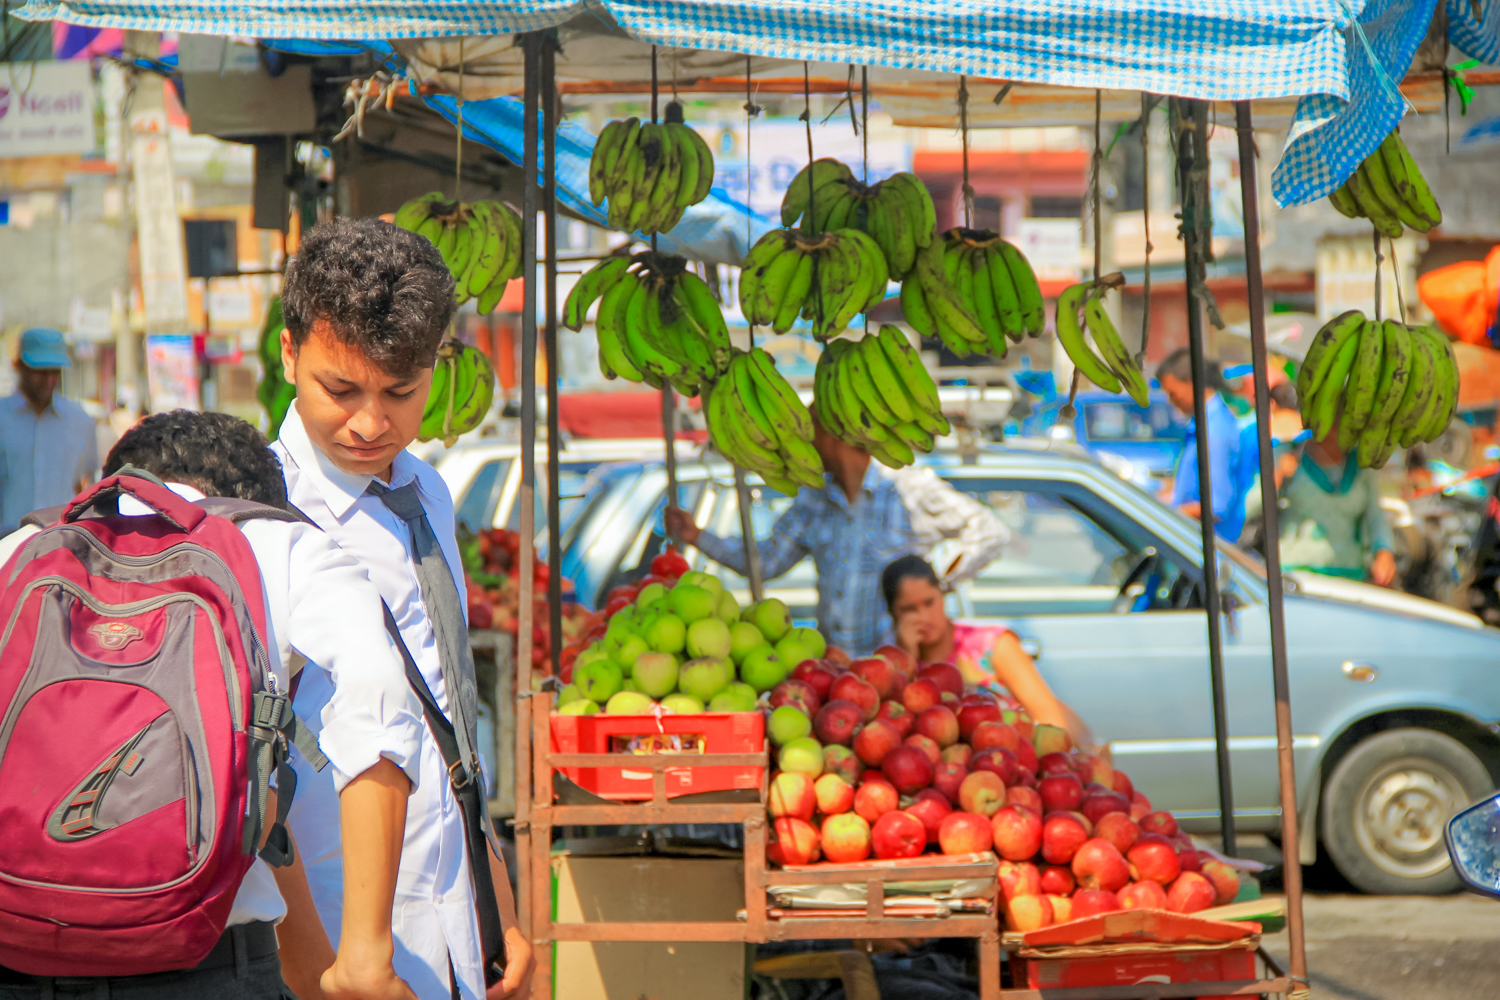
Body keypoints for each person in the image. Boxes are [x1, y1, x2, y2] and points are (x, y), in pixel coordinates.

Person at [0, 410, 423, 1000]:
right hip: (205, 969)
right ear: (257, 500)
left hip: (16, 960)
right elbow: (378, 690)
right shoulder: (277, 544)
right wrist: (365, 955)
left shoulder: (24, 547)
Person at [270, 217, 533, 1000]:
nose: (370, 423)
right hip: (332, 943)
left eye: (400, 392)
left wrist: (502, 911)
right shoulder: (256, 516)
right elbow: (246, 780)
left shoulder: (427, 491)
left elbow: (446, 706)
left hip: (455, 929)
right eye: (340, 389)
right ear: (290, 353)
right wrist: (327, 972)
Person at [663, 408, 1005, 654]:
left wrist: (938, 586)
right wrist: (697, 536)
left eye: (811, 427)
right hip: (833, 669)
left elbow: (989, 532)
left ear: (835, 434)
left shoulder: (907, 490)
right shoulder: (814, 500)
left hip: (895, 664)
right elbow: (765, 562)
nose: (804, 440)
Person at [881, 554, 1093, 749]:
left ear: (943, 596)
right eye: (909, 609)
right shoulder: (896, 667)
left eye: (929, 602)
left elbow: (1051, 720)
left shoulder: (991, 645)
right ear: (892, 614)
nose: (924, 616)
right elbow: (901, 731)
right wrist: (907, 655)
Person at [0, 328, 98, 535]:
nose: (48, 380)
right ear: (19, 366)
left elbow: (85, 484)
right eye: (40, 371)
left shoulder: (80, 421)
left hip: (59, 542)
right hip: (6, 540)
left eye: (54, 371)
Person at [1277, 416, 1397, 586]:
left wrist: (1384, 552)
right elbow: (1249, 507)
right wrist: (1275, 477)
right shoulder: (1288, 453)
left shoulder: (1362, 464)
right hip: (1295, 576)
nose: (1332, 428)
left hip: (1349, 575)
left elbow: (1375, 515)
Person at [1156, 349, 1246, 541]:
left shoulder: (1213, 432)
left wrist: (1163, 516)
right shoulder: (1201, 425)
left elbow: (1216, 506)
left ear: (1192, 384)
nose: (1171, 401)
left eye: (1173, 393)